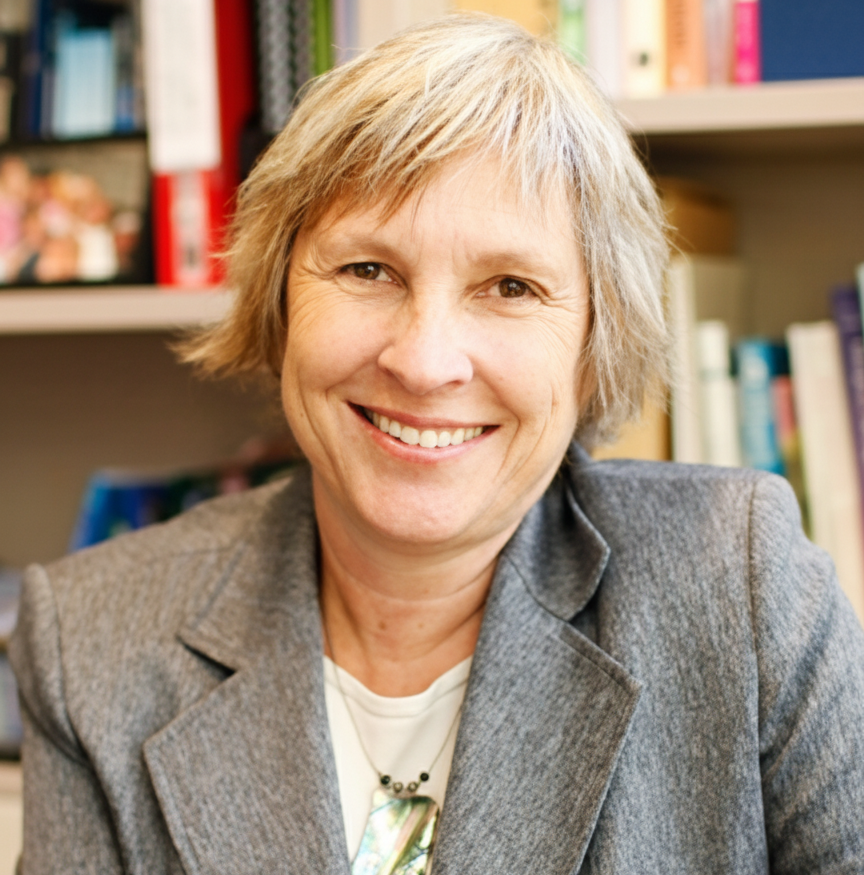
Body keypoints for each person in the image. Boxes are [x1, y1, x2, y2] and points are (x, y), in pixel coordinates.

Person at [10, 13, 864, 874]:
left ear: (595, 340)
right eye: (367, 270)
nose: (423, 362)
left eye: (510, 286)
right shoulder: (93, 641)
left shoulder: (739, 586)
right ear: (279, 299)